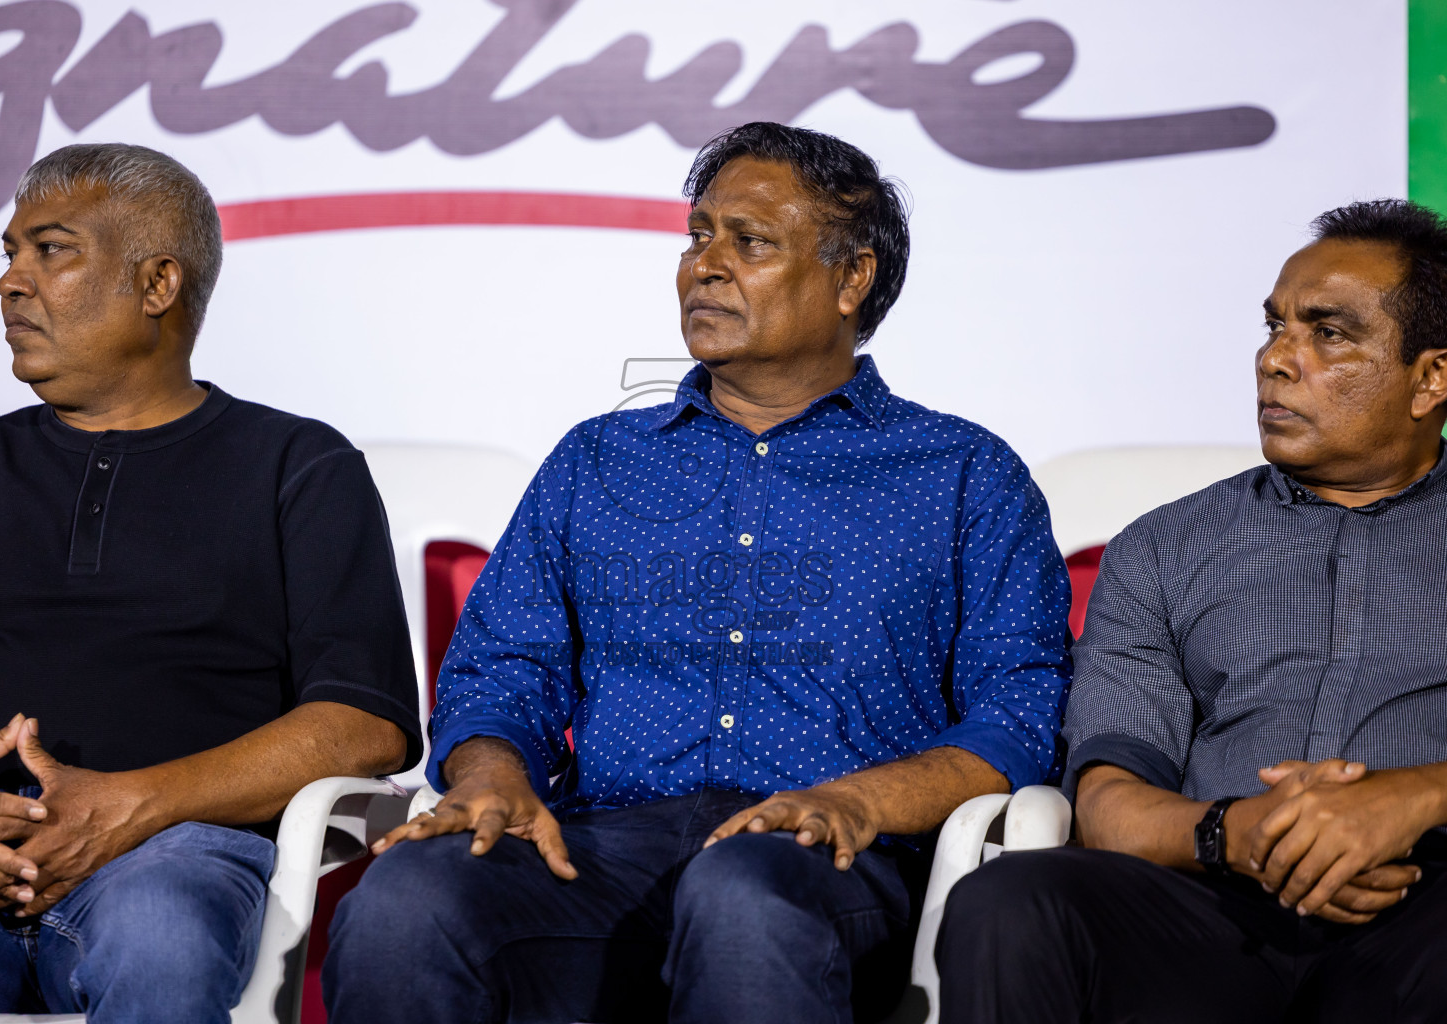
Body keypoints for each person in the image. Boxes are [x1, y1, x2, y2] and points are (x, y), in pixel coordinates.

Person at [323, 121, 1072, 1024]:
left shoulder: (962, 473)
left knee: (743, 893)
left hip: (825, 860)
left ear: (852, 278)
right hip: (603, 848)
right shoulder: (597, 459)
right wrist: (490, 773)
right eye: (699, 236)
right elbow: (500, 671)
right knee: (407, 898)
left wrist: (854, 799)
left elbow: (1021, 717)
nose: (704, 265)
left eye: (748, 242)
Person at [0, 143, 422, 1022]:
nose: (11, 282)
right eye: (9, 254)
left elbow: (364, 727)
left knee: (164, 935)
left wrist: (130, 806)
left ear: (157, 286)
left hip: (168, 857)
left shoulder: (296, 465)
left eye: (53, 250)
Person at [936, 198, 1447, 1023]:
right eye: (1274, 326)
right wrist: (1235, 834)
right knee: (1015, 898)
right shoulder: (1163, 548)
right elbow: (1106, 797)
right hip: (1214, 907)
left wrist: (1414, 797)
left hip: (1426, 904)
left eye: (1329, 333)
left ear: (1431, 378)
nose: (1277, 358)